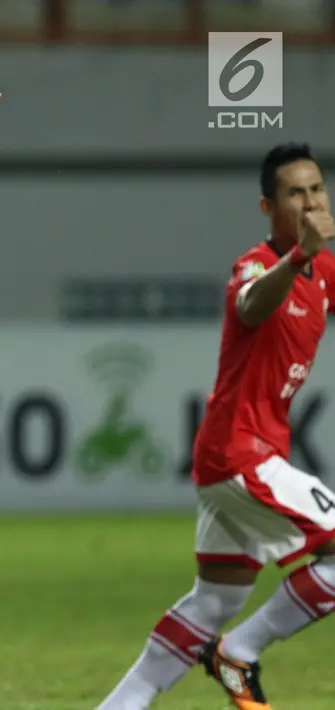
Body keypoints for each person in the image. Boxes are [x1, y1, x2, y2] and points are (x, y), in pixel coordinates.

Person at [97, 142, 335, 710]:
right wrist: (296, 258)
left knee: (213, 602)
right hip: (240, 455)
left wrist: (311, 259)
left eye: (317, 189)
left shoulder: (325, 267)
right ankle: (239, 653)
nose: (309, 201)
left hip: (242, 456)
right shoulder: (258, 264)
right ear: (267, 207)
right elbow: (252, 305)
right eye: (293, 193)